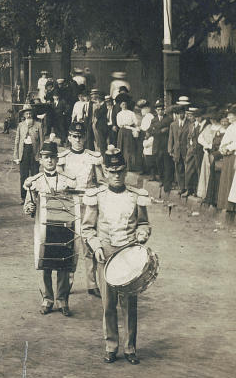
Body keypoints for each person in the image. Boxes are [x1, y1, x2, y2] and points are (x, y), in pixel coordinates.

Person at [81, 147, 152, 364]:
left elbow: (143, 223)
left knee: (129, 305)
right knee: (108, 304)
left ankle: (130, 348)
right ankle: (111, 346)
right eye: (112, 172)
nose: (117, 176)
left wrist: (141, 235)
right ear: (105, 172)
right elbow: (87, 228)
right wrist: (96, 246)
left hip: (129, 255)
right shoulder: (97, 197)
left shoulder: (135, 196)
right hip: (106, 254)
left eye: (120, 171)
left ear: (125, 171)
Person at [23, 142, 79, 316]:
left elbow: (74, 204)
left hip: (64, 229)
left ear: (57, 159)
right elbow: (28, 206)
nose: (49, 161)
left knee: (64, 263)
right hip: (44, 230)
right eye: (46, 157)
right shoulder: (35, 182)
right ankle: (47, 299)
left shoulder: (67, 181)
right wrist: (30, 208)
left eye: (52, 157)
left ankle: (62, 299)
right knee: (44, 263)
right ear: (41, 159)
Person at [57, 122, 104, 297]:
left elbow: (101, 182)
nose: (77, 140)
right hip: (70, 205)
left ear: (84, 138)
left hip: (88, 205)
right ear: (69, 138)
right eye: (74, 136)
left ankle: (92, 284)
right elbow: (59, 183)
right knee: (70, 245)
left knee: (89, 245)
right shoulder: (63, 158)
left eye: (80, 136)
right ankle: (67, 283)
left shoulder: (93, 157)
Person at [14, 104, 43, 203]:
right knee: (24, 175)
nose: (29, 115)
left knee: (35, 174)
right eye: (27, 113)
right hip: (24, 151)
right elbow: (17, 141)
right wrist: (16, 156)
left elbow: (42, 141)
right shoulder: (21, 125)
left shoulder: (38, 125)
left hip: (34, 152)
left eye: (30, 113)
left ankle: (35, 197)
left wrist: (41, 155)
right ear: (24, 115)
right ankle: (23, 197)